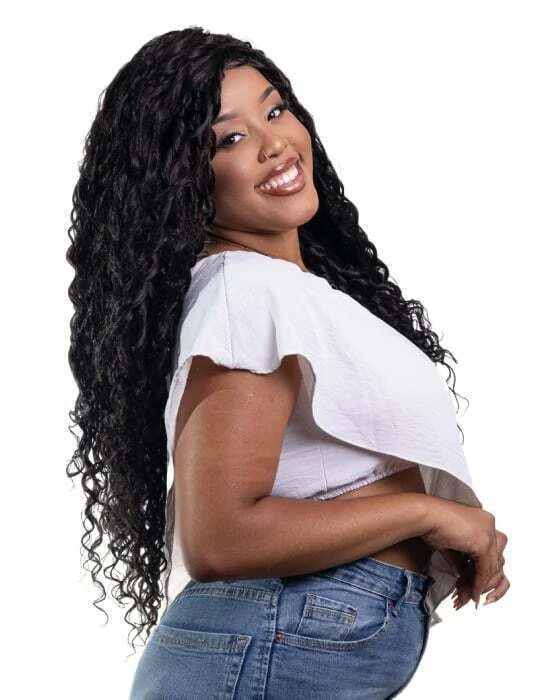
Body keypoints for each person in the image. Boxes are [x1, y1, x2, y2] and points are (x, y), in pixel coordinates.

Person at [66, 26, 510, 699]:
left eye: (275, 110)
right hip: (270, 635)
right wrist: (427, 514)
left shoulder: (279, 290)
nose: (274, 143)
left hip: (277, 635)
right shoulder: (245, 291)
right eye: (229, 139)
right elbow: (223, 539)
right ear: (183, 180)